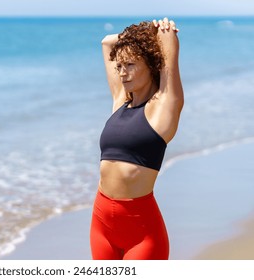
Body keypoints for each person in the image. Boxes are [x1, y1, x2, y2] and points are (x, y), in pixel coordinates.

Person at [90, 18, 184, 260]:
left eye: (130, 64)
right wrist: (142, 36)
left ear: (151, 64)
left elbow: (169, 52)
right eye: (119, 66)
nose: (122, 73)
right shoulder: (121, 101)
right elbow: (107, 41)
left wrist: (160, 34)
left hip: (141, 233)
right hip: (101, 224)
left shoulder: (163, 108)